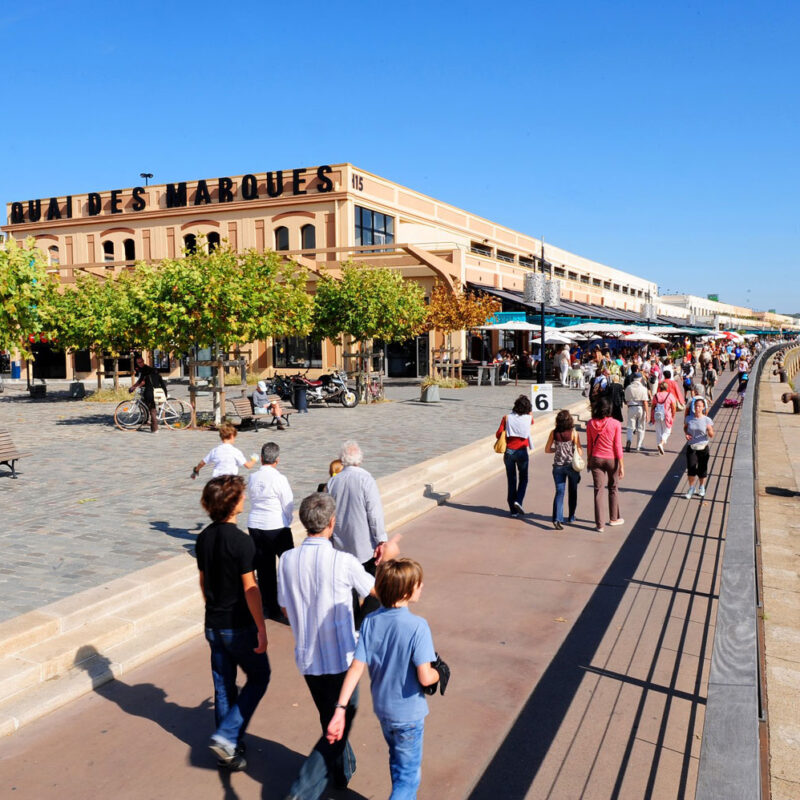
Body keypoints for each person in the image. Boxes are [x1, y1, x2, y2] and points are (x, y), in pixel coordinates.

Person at [278, 492, 377, 800]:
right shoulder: (343, 562)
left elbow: (283, 607)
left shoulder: (287, 560)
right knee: (341, 720)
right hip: (342, 656)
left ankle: (343, 770)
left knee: (329, 715)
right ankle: (303, 791)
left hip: (308, 655)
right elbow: (376, 592)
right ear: (332, 523)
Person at [326, 559, 445, 800]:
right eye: (417, 583)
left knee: (397, 764)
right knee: (408, 779)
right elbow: (425, 677)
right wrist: (440, 672)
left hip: (384, 711)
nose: (422, 586)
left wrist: (340, 709)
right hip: (408, 715)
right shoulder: (417, 627)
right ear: (405, 591)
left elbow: (356, 669)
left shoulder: (371, 621)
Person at [196, 476, 270, 771]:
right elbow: (250, 588)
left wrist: (211, 607)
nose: (244, 497)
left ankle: (228, 746)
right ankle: (227, 735)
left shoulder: (203, 538)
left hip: (213, 622)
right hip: (238, 624)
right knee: (259, 677)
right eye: (240, 494)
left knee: (224, 686)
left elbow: (203, 580)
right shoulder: (241, 542)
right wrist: (261, 627)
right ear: (231, 502)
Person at [327, 441, 398, 628]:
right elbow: (374, 513)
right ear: (360, 459)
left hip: (342, 542)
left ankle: (351, 621)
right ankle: (361, 622)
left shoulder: (333, 481)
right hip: (365, 544)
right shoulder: (366, 479)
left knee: (348, 586)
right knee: (374, 585)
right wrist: (381, 539)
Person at [247, 442, 294, 621]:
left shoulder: (253, 477)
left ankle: (270, 607)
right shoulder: (279, 478)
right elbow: (288, 503)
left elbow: (252, 497)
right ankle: (288, 603)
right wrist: (287, 519)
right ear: (277, 460)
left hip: (256, 525)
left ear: (261, 458)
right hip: (277, 525)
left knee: (264, 569)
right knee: (288, 565)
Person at [586, 397, 624, 532]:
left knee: (598, 491)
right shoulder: (615, 423)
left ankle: (599, 524)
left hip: (596, 458)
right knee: (613, 488)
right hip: (611, 459)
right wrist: (621, 465)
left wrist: (588, 460)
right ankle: (613, 518)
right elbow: (618, 445)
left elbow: (590, 445)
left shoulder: (590, 423)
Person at [496, 394, 533, 517]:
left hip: (509, 451)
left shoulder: (506, 418)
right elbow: (531, 418)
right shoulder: (529, 418)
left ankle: (512, 509)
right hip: (522, 450)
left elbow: (498, 434)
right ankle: (519, 500)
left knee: (511, 480)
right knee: (524, 478)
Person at [545, 409, 582, 529]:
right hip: (571, 466)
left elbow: (547, 449)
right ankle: (571, 516)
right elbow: (580, 451)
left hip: (558, 467)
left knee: (560, 492)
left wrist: (557, 450)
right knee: (573, 491)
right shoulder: (574, 433)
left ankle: (557, 519)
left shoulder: (553, 433)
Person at [192, 422, 258, 479]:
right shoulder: (235, 451)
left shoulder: (215, 450)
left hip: (217, 480)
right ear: (232, 436)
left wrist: (196, 470)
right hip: (230, 481)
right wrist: (253, 460)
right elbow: (248, 466)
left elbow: (202, 462)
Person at [683, 397, 715, 498]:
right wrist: (686, 434)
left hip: (703, 448)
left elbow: (711, 435)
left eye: (700, 406)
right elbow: (685, 427)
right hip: (692, 447)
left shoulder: (707, 420)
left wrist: (709, 430)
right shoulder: (688, 418)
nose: (697, 408)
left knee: (702, 469)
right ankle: (691, 488)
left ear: (703, 407)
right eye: (696, 406)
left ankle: (702, 487)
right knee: (691, 468)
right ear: (693, 407)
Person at [129, 354, 165, 433]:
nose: (140, 364)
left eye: (141, 362)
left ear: (143, 361)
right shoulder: (146, 370)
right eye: (138, 363)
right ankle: (146, 420)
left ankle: (155, 429)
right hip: (154, 391)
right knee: (146, 405)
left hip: (151, 392)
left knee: (152, 410)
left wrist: (133, 387)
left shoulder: (146, 370)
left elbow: (141, 382)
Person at [624, 370, 650, 452]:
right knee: (641, 427)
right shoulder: (643, 388)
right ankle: (638, 445)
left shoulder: (628, 388)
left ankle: (629, 440)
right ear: (640, 379)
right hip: (640, 407)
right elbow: (645, 401)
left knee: (630, 426)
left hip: (631, 407)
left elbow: (627, 401)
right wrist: (647, 413)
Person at [651, 380, 678, 455]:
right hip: (666, 415)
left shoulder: (656, 395)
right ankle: (662, 443)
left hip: (657, 415)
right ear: (667, 388)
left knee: (658, 432)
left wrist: (651, 416)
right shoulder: (670, 395)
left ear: (659, 388)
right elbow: (673, 407)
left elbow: (653, 406)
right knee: (667, 431)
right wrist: (673, 415)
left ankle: (659, 449)